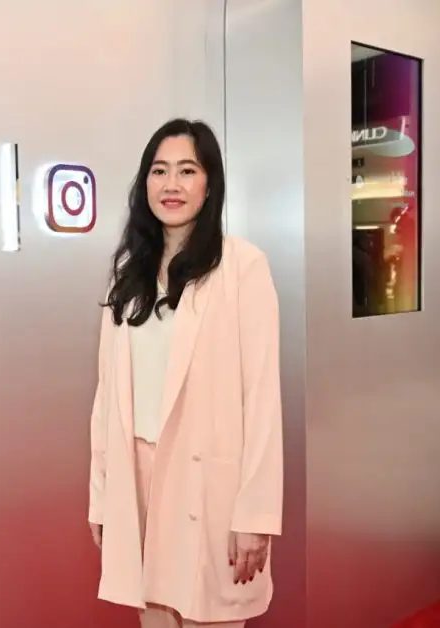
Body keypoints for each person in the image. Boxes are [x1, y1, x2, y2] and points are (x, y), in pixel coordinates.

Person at [87, 118, 283, 628]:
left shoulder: (242, 266)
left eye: (187, 170)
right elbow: (107, 398)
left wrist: (255, 515)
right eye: (159, 171)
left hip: (206, 482)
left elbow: (261, 398)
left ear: (209, 184)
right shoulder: (129, 273)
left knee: (207, 616)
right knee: (154, 619)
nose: (171, 184)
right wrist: (103, 498)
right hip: (140, 478)